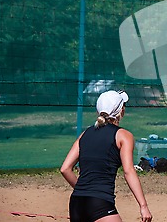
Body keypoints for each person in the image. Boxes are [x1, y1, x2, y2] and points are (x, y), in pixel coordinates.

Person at [60, 90, 153, 222]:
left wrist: (84, 191)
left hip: (77, 202)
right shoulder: (123, 135)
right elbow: (128, 171)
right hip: (100, 203)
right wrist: (143, 206)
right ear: (121, 111)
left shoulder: (85, 134)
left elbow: (65, 169)